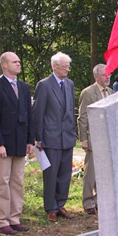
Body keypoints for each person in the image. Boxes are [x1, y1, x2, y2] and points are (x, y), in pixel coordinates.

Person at [0, 51, 34, 235]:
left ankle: (15, 218)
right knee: (2, 182)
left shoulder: (23, 87)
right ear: (5, 65)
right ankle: (1, 220)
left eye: (19, 61)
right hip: (3, 144)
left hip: (20, 142)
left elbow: (29, 115)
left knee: (17, 182)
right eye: (15, 61)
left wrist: (30, 140)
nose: (19, 64)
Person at [33, 52, 76, 222]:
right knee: (51, 174)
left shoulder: (69, 84)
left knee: (65, 173)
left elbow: (70, 110)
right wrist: (39, 138)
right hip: (50, 138)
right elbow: (38, 113)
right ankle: (50, 207)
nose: (67, 69)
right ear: (54, 66)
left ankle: (60, 204)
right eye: (64, 66)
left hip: (67, 136)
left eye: (68, 66)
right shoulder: (44, 85)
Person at [78, 64, 113, 215]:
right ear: (96, 76)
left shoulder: (111, 92)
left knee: (104, 172)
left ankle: (100, 200)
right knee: (91, 172)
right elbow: (83, 117)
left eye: (109, 74)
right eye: (105, 74)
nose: (108, 77)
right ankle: (88, 201)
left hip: (108, 138)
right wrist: (83, 139)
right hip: (93, 137)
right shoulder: (88, 93)